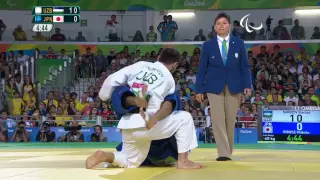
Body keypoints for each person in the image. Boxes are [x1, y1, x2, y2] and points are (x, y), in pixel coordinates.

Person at [86, 48, 200, 169]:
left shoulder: (139, 65)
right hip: (147, 122)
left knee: (130, 161)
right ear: (175, 65)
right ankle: (183, 161)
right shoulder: (169, 79)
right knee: (185, 117)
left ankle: (104, 155)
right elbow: (168, 105)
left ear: (158, 58)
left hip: (127, 124)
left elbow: (111, 79)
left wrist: (103, 95)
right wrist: (155, 118)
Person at [195, 13, 251, 161]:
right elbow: (201, 69)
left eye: (224, 23)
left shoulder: (239, 43)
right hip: (214, 86)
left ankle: (228, 150)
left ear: (230, 26)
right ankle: (223, 153)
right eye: (218, 23)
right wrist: (199, 89)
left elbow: (245, 66)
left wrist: (247, 84)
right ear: (214, 27)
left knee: (230, 119)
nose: (221, 25)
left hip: (235, 85)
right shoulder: (208, 45)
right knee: (218, 119)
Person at [109, 85, 182, 167]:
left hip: (137, 135)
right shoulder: (165, 85)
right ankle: (183, 160)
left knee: (127, 159)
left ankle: (107, 157)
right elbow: (168, 107)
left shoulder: (124, 86)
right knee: (184, 120)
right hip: (161, 144)